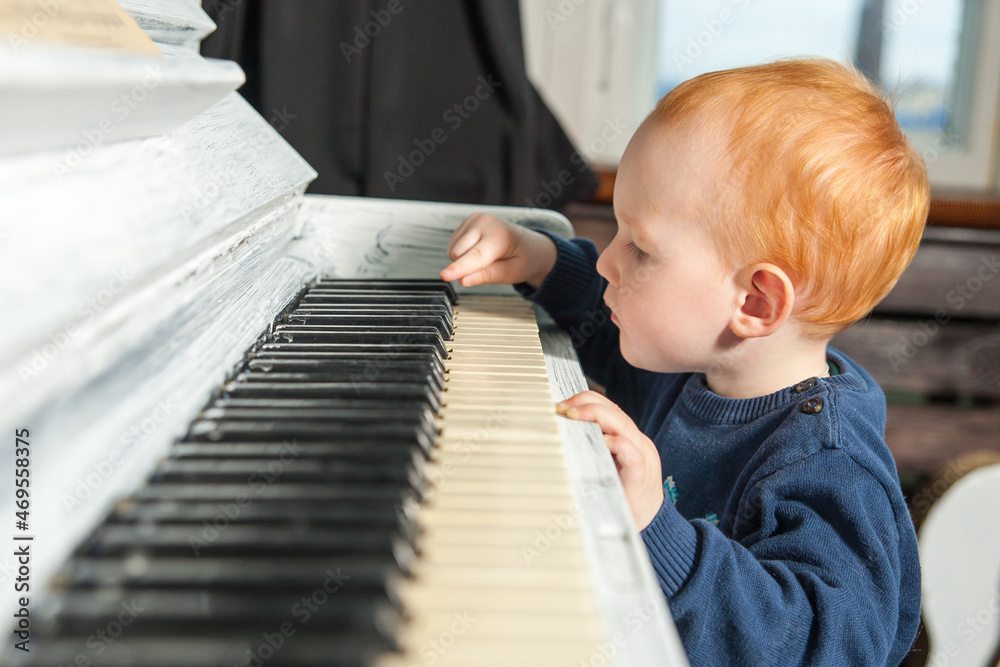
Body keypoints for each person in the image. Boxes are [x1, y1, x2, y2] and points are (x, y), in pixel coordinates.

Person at [439, 58, 928, 666]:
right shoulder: (703, 362)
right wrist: (538, 258)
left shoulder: (828, 465)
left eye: (639, 248)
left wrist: (657, 528)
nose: (606, 263)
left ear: (754, 300)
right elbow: (607, 320)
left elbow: (828, 648)